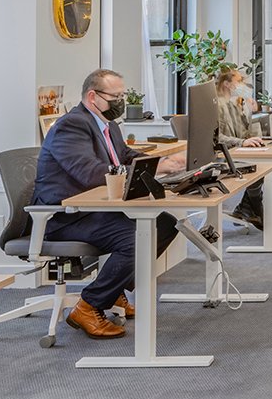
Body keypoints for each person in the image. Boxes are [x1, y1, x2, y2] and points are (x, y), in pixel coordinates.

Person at [34, 68, 181, 340]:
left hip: (93, 211)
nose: (121, 101)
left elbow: (125, 155)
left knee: (165, 224)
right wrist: (148, 172)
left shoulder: (108, 124)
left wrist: (166, 165)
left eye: (122, 95)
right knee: (137, 237)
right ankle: (89, 306)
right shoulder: (72, 125)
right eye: (116, 96)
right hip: (64, 216)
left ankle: (113, 292)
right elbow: (91, 173)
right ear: (93, 97)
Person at [212, 67, 267, 230]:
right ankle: (252, 207)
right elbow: (216, 138)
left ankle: (248, 207)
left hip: (236, 151)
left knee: (264, 165)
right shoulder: (217, 105)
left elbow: (246, 133)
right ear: (227, 84)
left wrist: (248, 110)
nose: (243, 84)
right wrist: (241, 143)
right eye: (239, 81)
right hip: (222, 155)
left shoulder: (235, 103)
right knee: (261, 167)